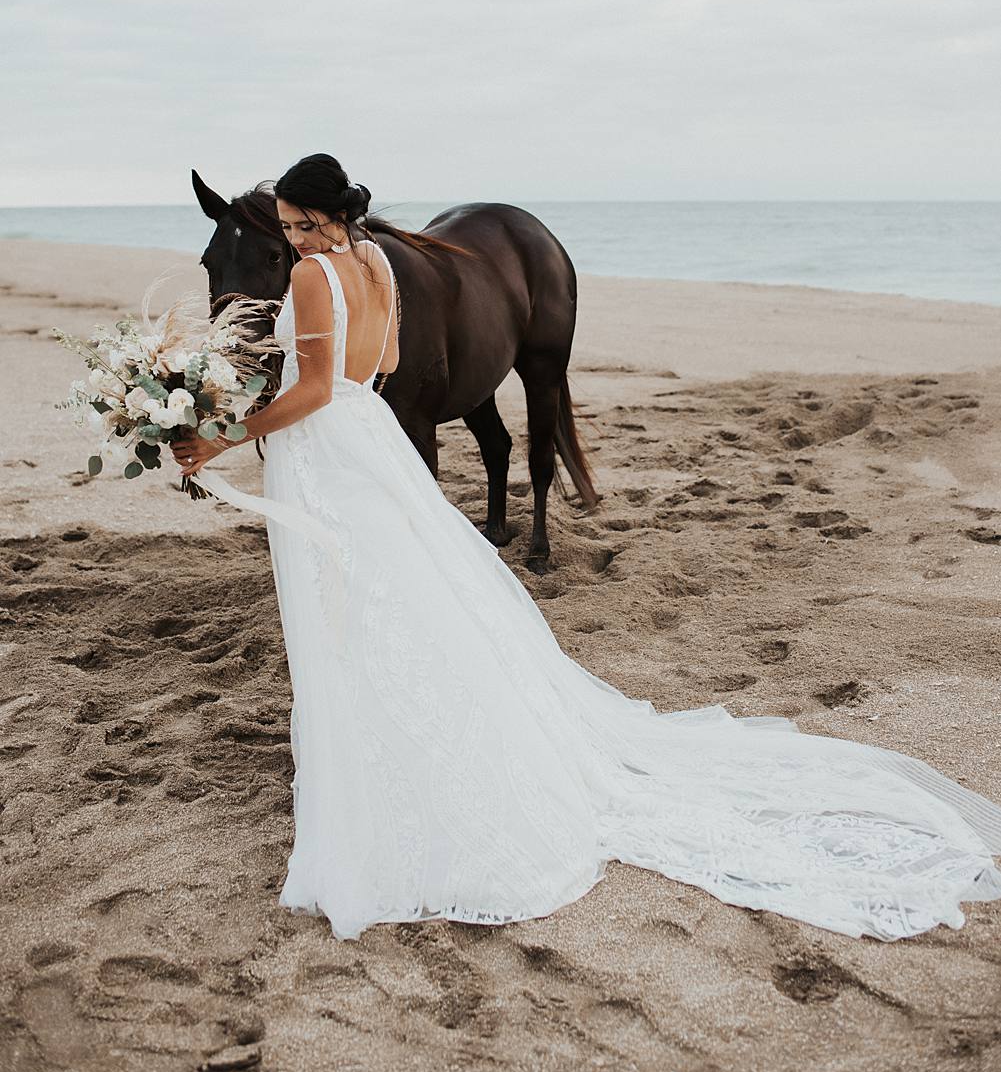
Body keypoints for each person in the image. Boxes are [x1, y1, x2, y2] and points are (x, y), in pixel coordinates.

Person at [172, 155, 1001, 943]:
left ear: (322, 217)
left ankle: (370, 770)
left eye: (298, 225)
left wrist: (221, 434)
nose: (294, 241)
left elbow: (314, 389)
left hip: (331, 448)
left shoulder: (315, 275)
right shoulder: (381, 267)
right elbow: (381, 364)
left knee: (346, 603)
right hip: (370, 436)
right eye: (285, 228)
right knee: (398, 591)